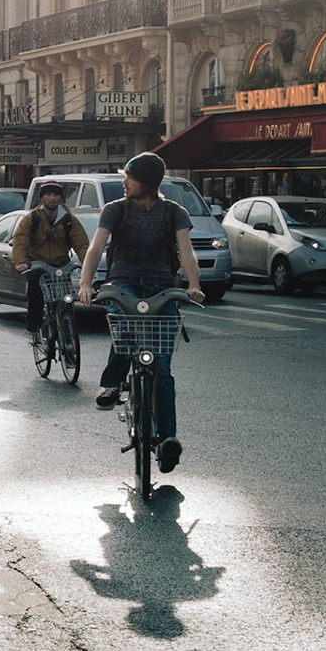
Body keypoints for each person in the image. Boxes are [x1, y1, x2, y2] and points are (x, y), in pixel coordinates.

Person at [78, 153, 205, 472]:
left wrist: (193, 285)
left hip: (162, 287)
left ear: (147, 183)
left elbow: (186, 252)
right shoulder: (115, 210)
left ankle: (168, 440)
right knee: (125, 330)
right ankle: (112, 383)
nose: (124, 182)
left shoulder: (174, 212)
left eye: (129, 178)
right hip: (123, 284)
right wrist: (86, 284)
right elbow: (96, 248)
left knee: (162, 369)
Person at [11, 181, 88, 334]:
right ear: (42, 198)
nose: (52, 198)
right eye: (48, 194)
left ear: (60, 198)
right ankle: (34, 325)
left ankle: (67, 326)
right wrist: (21, 262)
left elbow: (82, 244)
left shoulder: (68, 220)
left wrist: (87, 262)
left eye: (56, 195)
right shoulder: (32, 219)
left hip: (61, 265)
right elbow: (20, 242)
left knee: (67, 301)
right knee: (35, 293)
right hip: (39, 266)